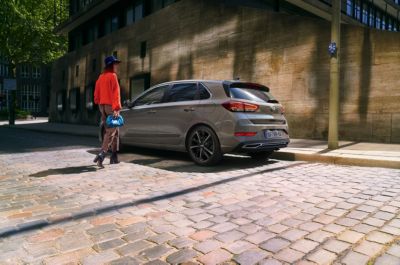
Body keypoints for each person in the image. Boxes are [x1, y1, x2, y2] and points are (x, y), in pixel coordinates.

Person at [93, 55, 122, 167]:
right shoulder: (112, 76)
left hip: (102, 107)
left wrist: (100, 103)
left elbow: (96, 95)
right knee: (111, 131)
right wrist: (116, 108)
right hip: (111, 107)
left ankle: (114, 156)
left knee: (115, 131)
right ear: (111, 65)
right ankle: (102, 153)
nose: (117, 66)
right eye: (115, 64)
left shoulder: (100, 77)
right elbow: (116, 93)